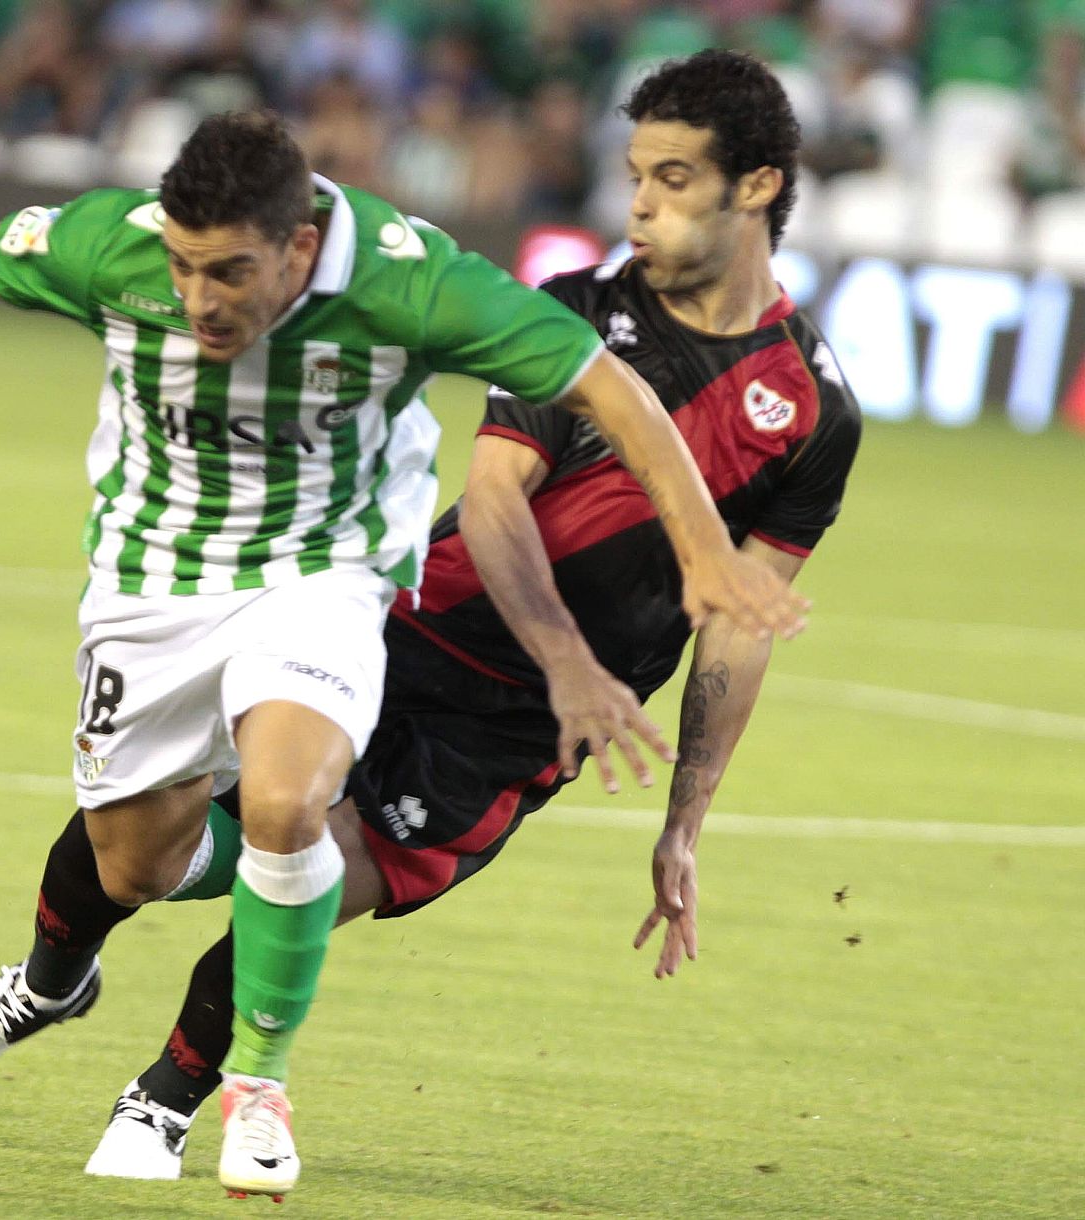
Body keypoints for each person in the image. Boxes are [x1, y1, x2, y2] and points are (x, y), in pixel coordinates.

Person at [0, 109, 808, 1199]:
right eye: (181, 266)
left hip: (323, 571)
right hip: (151, 578)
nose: (197, 299)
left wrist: (701, 556)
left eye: (227, 273)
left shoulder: (409, 281)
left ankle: (252, 1086)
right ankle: (51, 982)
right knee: (135, 862)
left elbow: (610, 387)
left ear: (301, 246)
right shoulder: (114, 244)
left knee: (285, 802)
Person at [77, 51, 863, 1182]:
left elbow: (736, 629)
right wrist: (562, 662)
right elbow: (495, 496)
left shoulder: (814, 411)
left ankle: (163, 1098)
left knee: (320, 870)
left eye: (674, 178)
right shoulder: (582, 315)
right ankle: (58, 961)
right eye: (634, 173)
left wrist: (684, 819)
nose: (638, 202)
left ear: (757, 187)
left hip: (507, 739)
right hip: (409, 628)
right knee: (197, 835)